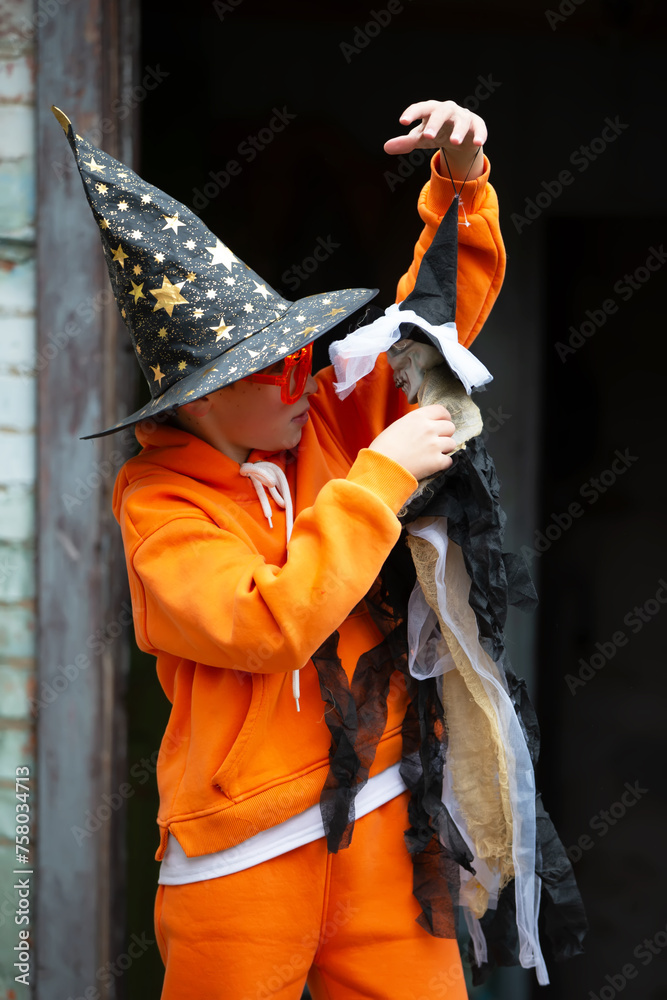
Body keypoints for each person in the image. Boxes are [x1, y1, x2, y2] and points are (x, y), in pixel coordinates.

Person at [55, 98, 505, 997]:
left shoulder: (321, 424)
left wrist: (460, 184)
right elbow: (269, 625)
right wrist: (380, 476)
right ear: (205, 393)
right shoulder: (161, 506)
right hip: (242, 849)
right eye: (281, 364)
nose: (310, 373)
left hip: (384, 810)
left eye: (306, 353)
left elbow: (433, 326)